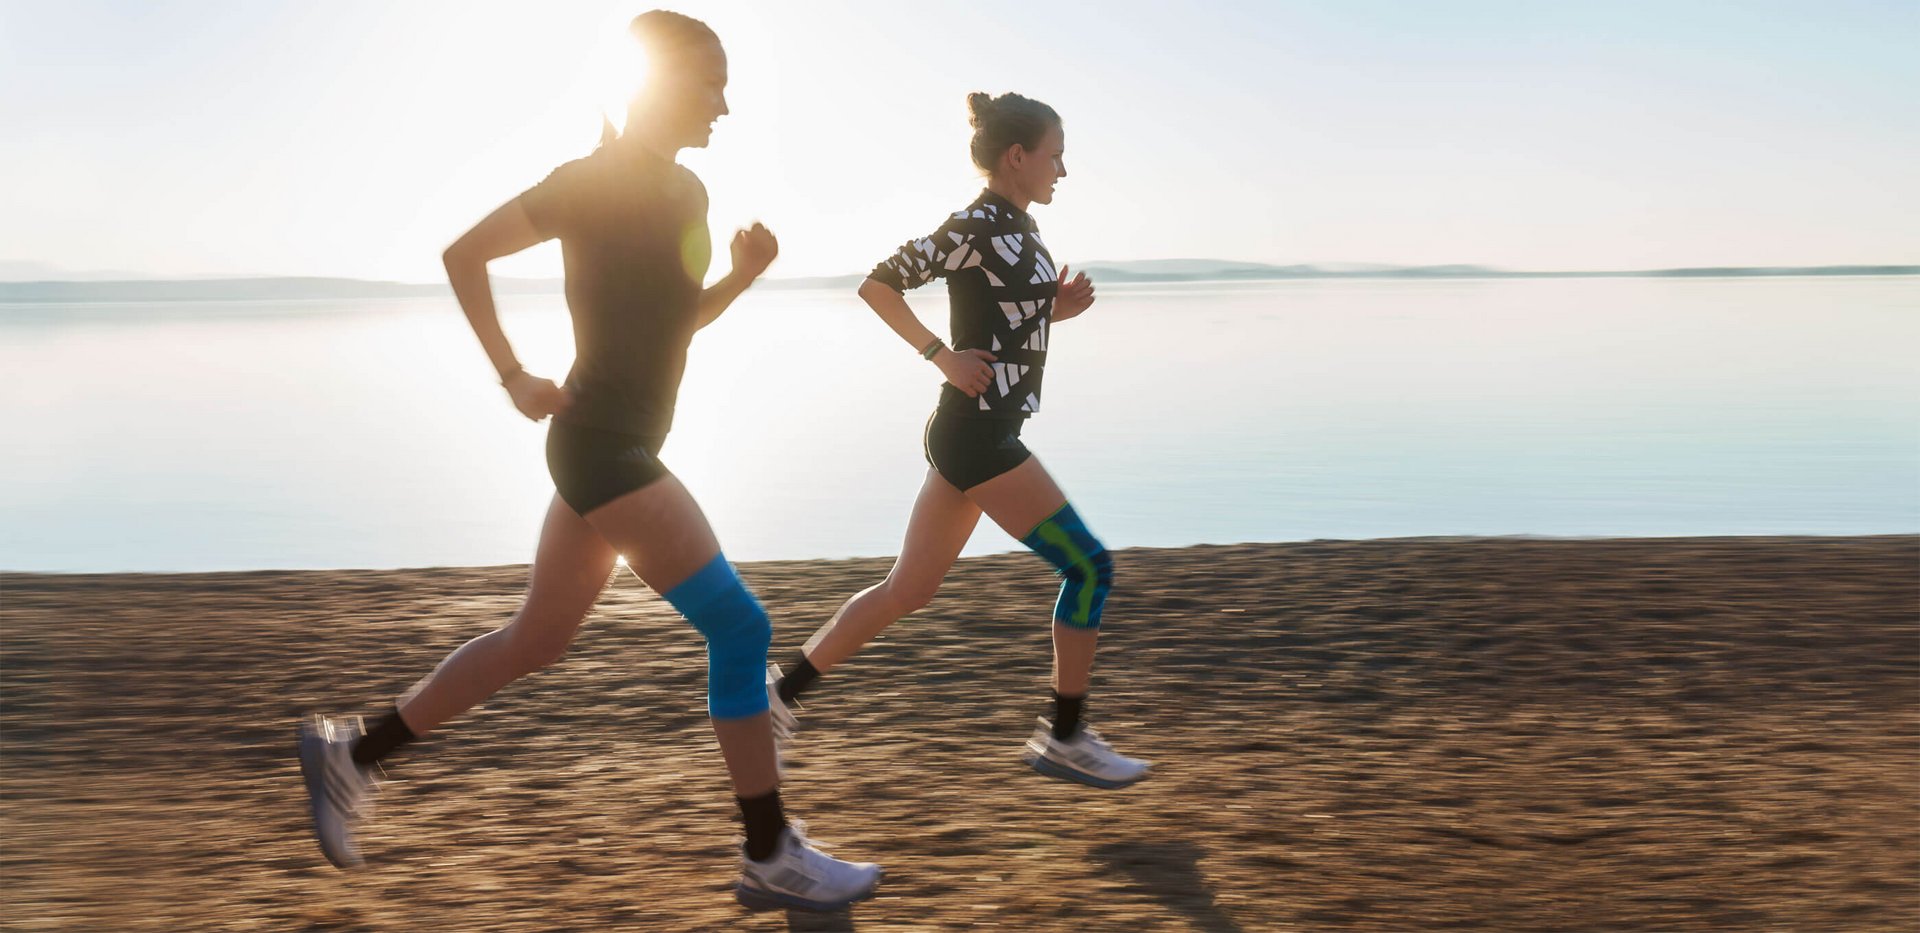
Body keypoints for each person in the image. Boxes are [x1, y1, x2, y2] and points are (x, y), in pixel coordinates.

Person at [297, 10, 882, 912]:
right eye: (711, 82)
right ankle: (770, 852)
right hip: (599, 446)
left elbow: (676, 323)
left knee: (537, 638)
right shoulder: (589, 183)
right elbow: (465, 255)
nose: (724, 105)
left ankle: (354, 753)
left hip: (621, 444)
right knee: (741, 629)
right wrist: (512, 373)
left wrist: (744, 275)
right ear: (657, 85)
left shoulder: (688, 195)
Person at [769, 91, 1150, 789]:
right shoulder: (973, 224)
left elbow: (1003, 329)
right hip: (977, 437)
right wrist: (939, 355)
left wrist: (1051, 313)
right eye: (1055, 156)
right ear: (1018, 157)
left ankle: (778, 693)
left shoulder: (1022, 230)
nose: (1063, 170)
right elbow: (879, 286)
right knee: (1089, 567)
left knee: (905, 589)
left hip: (975, 433)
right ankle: (1065, 734)